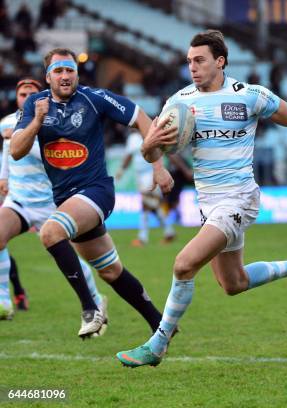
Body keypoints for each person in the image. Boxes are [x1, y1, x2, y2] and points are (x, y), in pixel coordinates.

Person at [116, 30, 287, 367]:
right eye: (189, 61)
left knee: (183, 264)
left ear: (220, 61)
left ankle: (158, 343)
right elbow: (152, 150)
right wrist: (151, 150)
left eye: (200, 60)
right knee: (233, 283)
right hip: (208, 203)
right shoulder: (178, 103)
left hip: (238, 200)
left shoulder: (249, 96)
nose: (192, 67)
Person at [11, 48, 172, 338]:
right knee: (110, 271)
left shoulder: (94, 98)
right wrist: (36, 122)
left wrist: (157, 165)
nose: (65, 76)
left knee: (50, 233)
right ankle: (161, 326)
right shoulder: (35, 103)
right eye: (58, 71)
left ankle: (91, 308)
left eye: (70, 70)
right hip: (68, 199)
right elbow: (16, 150)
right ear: (48, 76)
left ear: (77, 73)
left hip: (96, 191)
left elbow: (143, 120)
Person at [0, 78, 104, 320]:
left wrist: (20, 137)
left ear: (42, 98)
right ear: (17, 99)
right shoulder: (7, 123)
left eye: (32, 94)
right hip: (20, 201)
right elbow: (8, 152)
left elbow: (47, 154)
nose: (27, 98)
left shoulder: (54, 124)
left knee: (67, 256)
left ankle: (96, 302)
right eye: (22, 94)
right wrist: (3, 176)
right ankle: (4, 298)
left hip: (50, 202)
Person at [116, 131, 175, 246]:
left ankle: (142, 238)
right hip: (139, 176)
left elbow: (161, 153)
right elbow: (128, 156)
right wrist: (122, 170)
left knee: (145, 205)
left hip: (150, 174)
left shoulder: (151, 134)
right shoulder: (132, 138)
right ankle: (169, 231)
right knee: (153, 205)